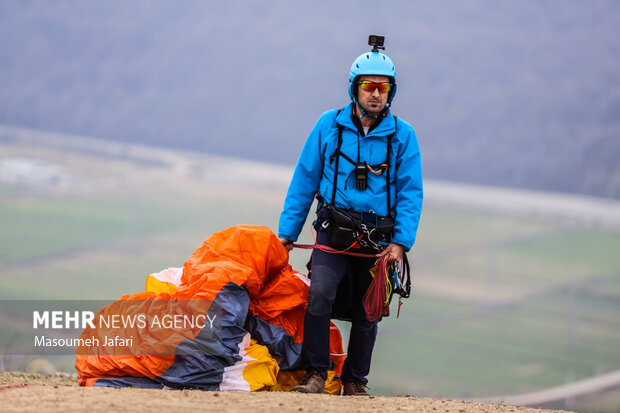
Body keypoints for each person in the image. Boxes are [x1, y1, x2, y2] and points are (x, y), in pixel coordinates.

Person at [277, 36, 423, 396]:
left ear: (391, 92)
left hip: (379, 239)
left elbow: (410, 192)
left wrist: (401, 242)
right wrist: (286, 234)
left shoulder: (404, 138)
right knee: (320, 294)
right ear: (354, 88)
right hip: (333, 232)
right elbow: (304, 180)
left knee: (369, 308)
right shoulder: (328, 125)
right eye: (368, 86)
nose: (375, 94)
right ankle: (315, 374)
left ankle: (355, 381)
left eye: (383, 87)